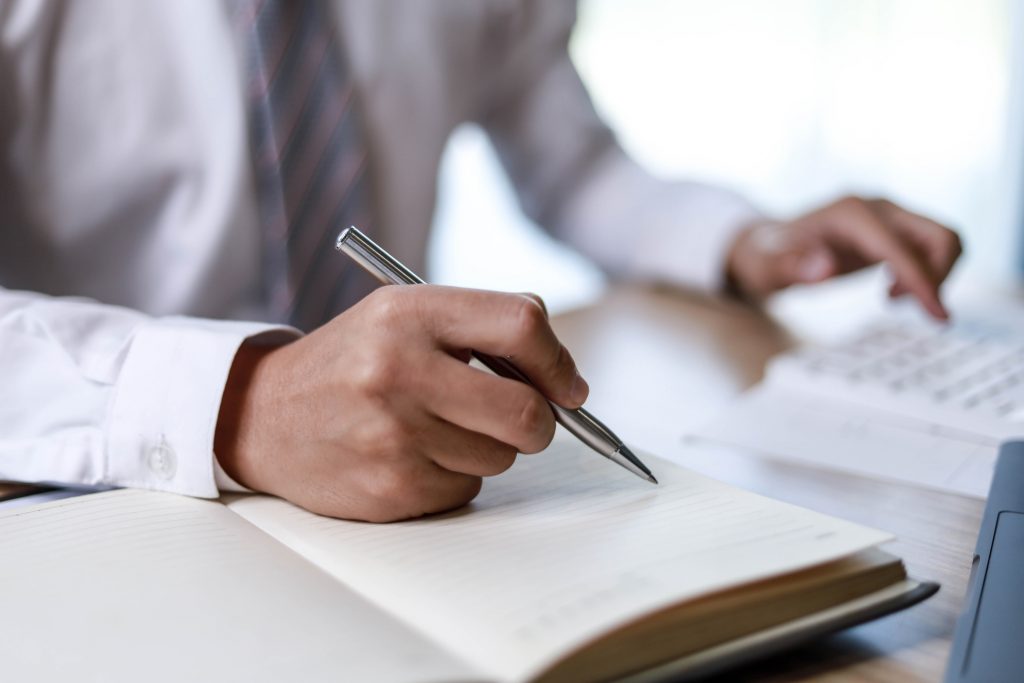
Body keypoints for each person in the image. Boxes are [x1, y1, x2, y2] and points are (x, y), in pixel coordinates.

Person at [0, 0, 961, 522]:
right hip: (78, 489)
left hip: (402, 483)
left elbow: (576, 165)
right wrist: (245, 398)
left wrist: (749, 243)